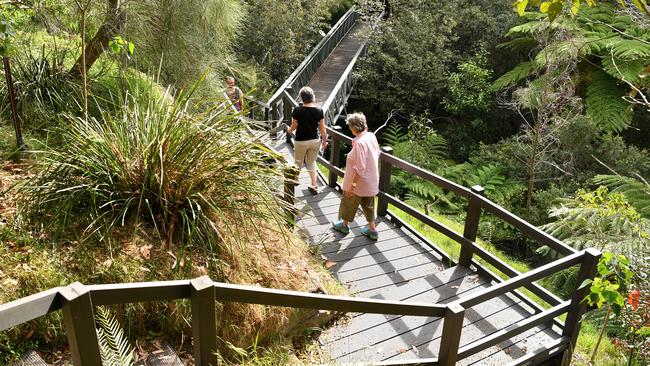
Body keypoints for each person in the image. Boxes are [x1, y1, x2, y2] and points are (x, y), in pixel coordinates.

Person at [332, 112, 380, 240]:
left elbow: (360, 168)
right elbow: (377, 154)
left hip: (358, 183)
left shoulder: (359, 143)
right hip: (371, 181)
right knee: (368, 205)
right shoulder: (371, 136)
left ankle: (344, 225)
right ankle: (372, 230)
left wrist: (352, 186)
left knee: (348, 202)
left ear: (353, 128)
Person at [286, 86, 328, 194]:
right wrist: (324, 141)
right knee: (311, 162)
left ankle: (295, 180)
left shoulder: (297, 110)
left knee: (298, 161)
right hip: (315, 140)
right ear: (312, 97)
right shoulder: (319, 110)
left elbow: (294, 126)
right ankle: (314, 186)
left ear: (302, 98)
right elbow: (322, 128)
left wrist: (289, 131)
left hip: (301, 140)